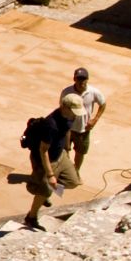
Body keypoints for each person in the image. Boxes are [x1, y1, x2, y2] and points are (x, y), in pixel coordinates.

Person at [25, 93, 84, 229]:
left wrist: (67, 149)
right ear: (64, 107)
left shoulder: (69, 117)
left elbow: (67, 131)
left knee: (73, 181)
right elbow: (43, 151)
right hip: (46, 160)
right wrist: (51, 175)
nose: (75, 115)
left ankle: (44, 189)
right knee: (45, 190)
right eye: (73, 111)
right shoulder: (51, 125)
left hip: (60, 155)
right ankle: (31, 217)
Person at [60, 66, 107, 174]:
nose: (81, 81)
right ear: (74, 79)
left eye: (83, 79)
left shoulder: (94, 92)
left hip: (84, 128)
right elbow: (61, 107)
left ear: (87, 79)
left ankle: (76, 172)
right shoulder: (67, 91)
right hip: (68, 128)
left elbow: (103, 104)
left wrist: (95, 119)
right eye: (79, 79)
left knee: (80, 152)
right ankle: (66, 172)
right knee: (65, 150)